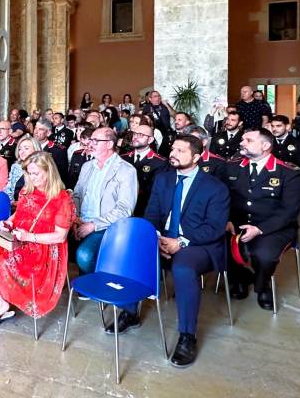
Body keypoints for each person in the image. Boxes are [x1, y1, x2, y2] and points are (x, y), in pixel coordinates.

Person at [111, 134, 229, 368]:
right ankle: (130, 311)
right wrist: (155, 239)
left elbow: (214, 228)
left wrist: (180, 242)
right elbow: (152, 214)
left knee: (183, 268)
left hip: (198, 245)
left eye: (181, 151)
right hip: (164, 238)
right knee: (136, 250)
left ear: (197, 157)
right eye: (173, 149)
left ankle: (187, 336)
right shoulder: (163, 179)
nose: (173, 154)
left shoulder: (215, 187)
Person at [0, 151, 75, 325]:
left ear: (49, 171)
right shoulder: (27, 190)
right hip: (20, 239)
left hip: (42, 249)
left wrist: (29, 236)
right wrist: (8, 222)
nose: (32, 177)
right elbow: (19, 214)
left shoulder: (61, 199)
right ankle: (0, 301)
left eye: (36, 173)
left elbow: (60, 236)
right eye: (29, 173)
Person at [226, 128, 300, 311]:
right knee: (216, 243)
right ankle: (241, 278)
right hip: (236, 223)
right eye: (243, 139)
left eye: (248, 140)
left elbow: (290, 211)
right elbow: (222, 197)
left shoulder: (288, 173)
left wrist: (260, 229)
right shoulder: (233, 166)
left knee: (264, 255)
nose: (242, 143)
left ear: (266, 146)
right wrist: (226, 219)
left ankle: (262, 286)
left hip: (274, 227)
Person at [72, 128, 138, 274]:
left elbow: (124, 209)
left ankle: (96, 283)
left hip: (105, 227)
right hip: (80, 221)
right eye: (90, 140)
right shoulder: (87, 166)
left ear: (109, 144)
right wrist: (75, 220)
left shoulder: (126, 170)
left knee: (85, 255)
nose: (90, 144)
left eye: (96, 141)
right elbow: (77, 195)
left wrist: (93, 225)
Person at [122, 124, 167, 217]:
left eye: (141, 135)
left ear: (150, 140)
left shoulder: (160, 162)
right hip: (123, 208)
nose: (135, 137)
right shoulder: (123, 158)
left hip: (144, 209)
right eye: (134, 134)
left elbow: (155, 192)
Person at [3, 135, 41, 203]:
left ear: (36, 149)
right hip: (12, 205)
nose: (22, 152)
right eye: (20, 149)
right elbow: (9, 188)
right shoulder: (15, 166)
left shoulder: (41, 168)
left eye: (26, 148)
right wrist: (10, 202)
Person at [33, 118, 68, 185]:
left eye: (40, 129)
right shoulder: (30, 147)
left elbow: (61, 176)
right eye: (35, 128)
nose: (36, 132)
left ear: (48, 133)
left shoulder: (58, 150)